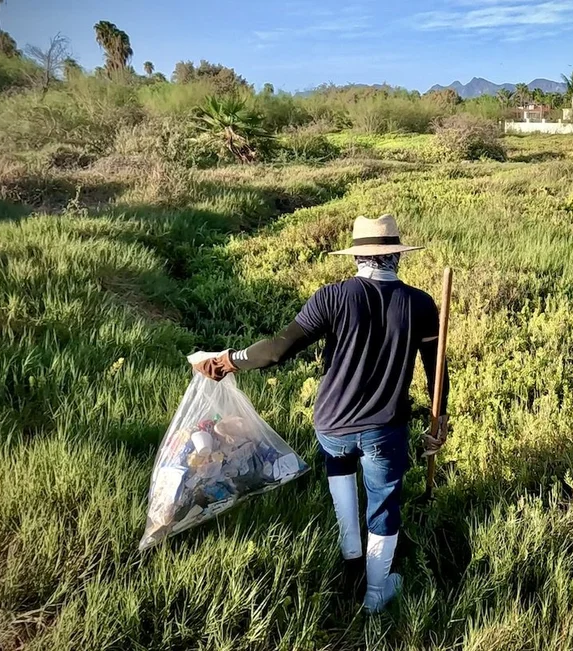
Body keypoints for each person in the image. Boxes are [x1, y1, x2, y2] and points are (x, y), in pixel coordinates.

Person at [192, 214, 450, 613]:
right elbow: (437, 372)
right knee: (383, 503)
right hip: (385, 429)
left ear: (357, 258)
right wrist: (441, 420)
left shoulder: (331, 297)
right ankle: (377, 593)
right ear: (396, 256)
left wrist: (229, 359)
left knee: (342, 486)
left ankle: (351, 563)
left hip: (332, 425)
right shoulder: (421, 304)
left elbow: (277, 349)